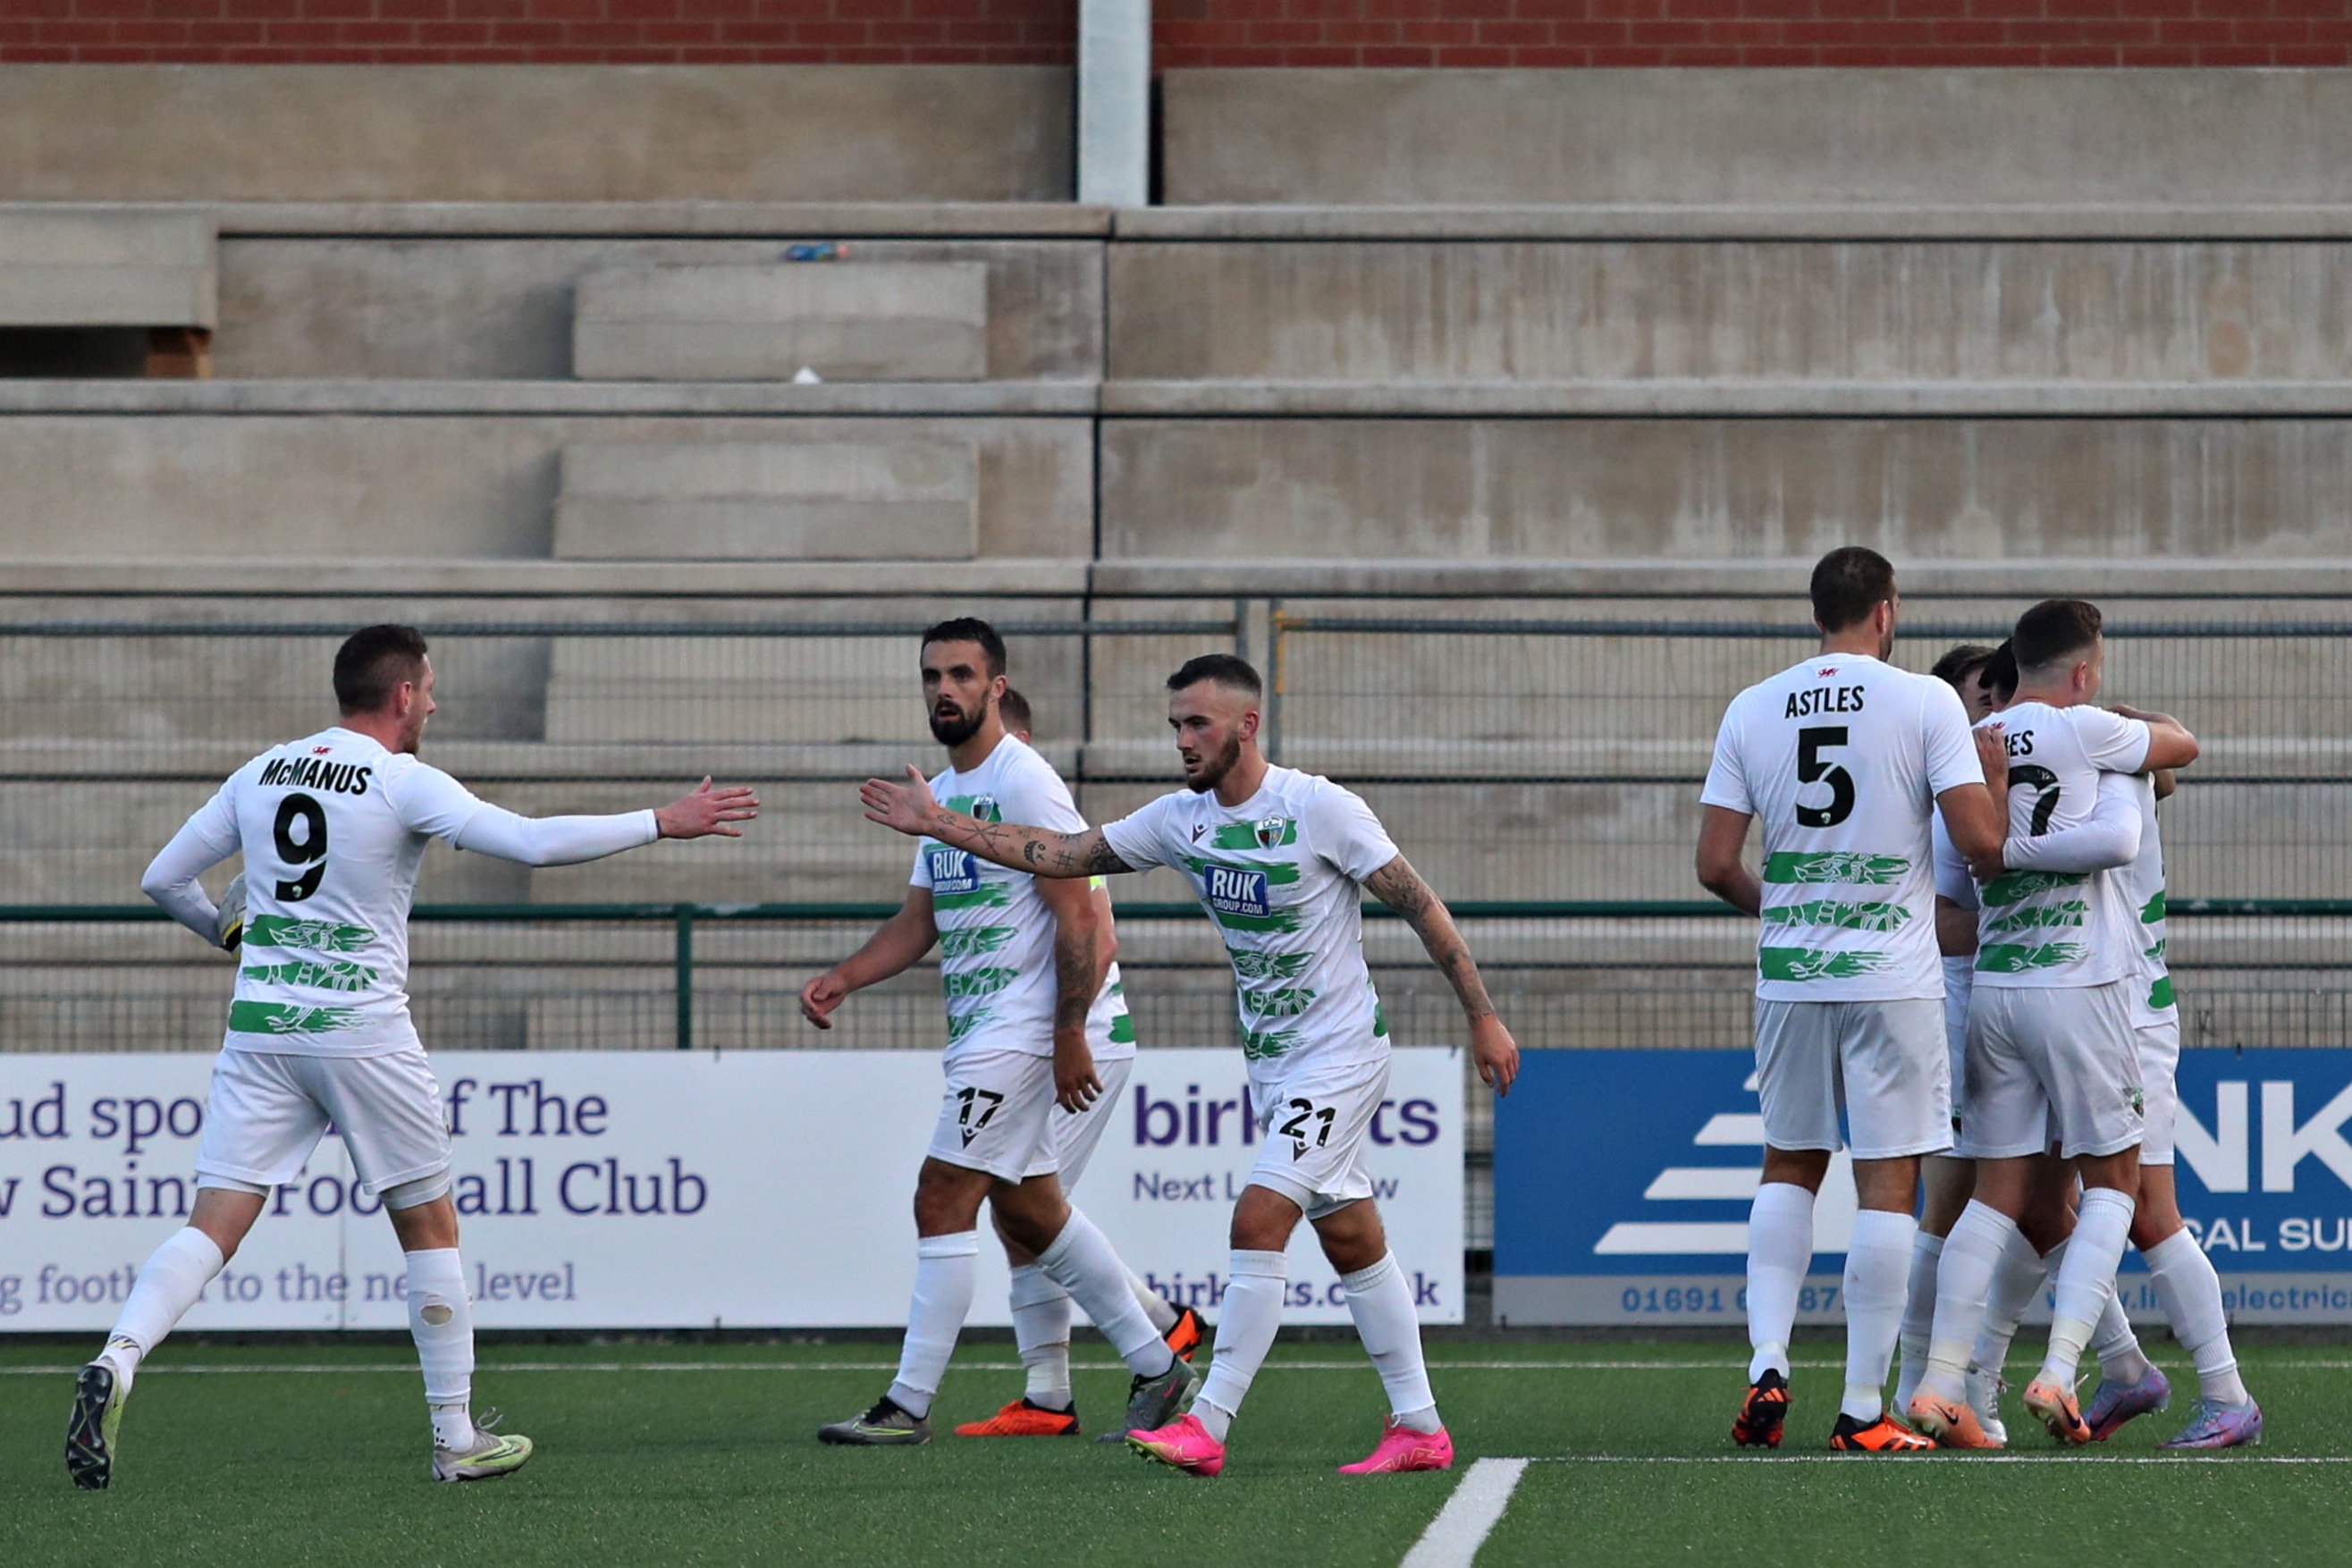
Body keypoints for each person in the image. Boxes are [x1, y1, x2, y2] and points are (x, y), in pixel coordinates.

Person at [69, 624, 759, 1489]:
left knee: (214, 1221)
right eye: (428, 688)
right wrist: (664, 819)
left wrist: (230, 933)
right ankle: (454, 1436)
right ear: (401, 694)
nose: (433, 701)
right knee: (428, 1225)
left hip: (264, 1024)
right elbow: (532, 841)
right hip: (360, 1028)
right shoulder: (401, 778)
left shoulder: (263, 768)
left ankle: (119, 1354)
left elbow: (163, 878)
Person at [859, 653, 1518, 1478]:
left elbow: (1421, 906)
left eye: (1197, 723)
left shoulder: (1319, 809)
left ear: (1246, 725)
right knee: (1350, 1237)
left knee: (1256, 1221)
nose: (1182, 740)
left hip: (1341, 1056)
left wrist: (1483, 1017)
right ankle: (1418, 1426)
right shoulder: (1178, 819)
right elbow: (1061, 854)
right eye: (1174, 725)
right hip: (1276, 1066)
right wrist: (939, 824)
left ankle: (1207, 1422)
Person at [805, 622, 1201, 1446]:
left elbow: (1085, 916)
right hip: (988, 1030)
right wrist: (845, 975)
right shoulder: (944, 794)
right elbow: (920, 923)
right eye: (930, 676)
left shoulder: (1024, 781)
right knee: (1027, 1206)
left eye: (960, 675)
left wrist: (1066, 1034)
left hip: (1021, 1034)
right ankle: (1157, 1360)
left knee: (941, 1193)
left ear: (995, 686)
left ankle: (908, 1403)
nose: (942, 690)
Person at [1696, 546, 2007, 1454]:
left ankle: (1765, 1360)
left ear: (1816, 612)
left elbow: (1715, 863)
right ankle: (1863, 1407)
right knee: (1887, 1180)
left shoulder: (1752, 705)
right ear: (1887, 611)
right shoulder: (1924, 700)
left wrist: (1789, 906)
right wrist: (1992, 779)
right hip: (1892, 975)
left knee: (1789, 1160)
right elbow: (1980, 847)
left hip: (1791, 970)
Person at [1906, 599, 2200, 1447]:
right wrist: (2124, 720)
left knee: (1994, 1197)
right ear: (2084, 671)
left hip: (1994, 985)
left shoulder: (1971, 748)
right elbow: (2179, 750)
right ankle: (2061, 1367)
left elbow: (1960, 875)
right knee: (2112, 1184)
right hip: (2080, 987)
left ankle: (1935, 1384)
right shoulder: (2088, 732)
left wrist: (1997, 850)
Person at [1998, 721, 2262, 1449]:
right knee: (2044, 1205)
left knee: (2148, 1211)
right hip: (2070, 1007)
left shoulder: (2110, 782)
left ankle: (2225, 1391)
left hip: (2125, 1013)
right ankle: (2121, 1366)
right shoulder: (2099, 775)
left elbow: (2165, 761)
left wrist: (2001, 847)